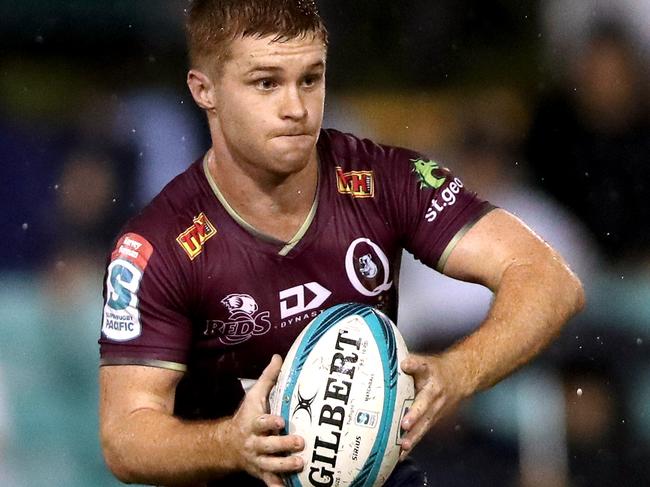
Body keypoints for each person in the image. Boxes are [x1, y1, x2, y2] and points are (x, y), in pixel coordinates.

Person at [98, 1, 584, 486]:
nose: (296, 107)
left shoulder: (386, 179)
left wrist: (459, 372)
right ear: (205, 90)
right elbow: (125, 436)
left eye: (310, 79)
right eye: (266, 83)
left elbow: (550, 280)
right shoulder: (158, 245)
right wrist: (229, 443)